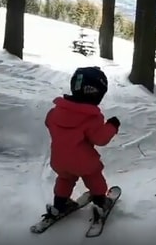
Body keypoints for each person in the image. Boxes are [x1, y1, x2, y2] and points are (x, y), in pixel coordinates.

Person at [43, 66, 120, 219]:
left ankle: (59, 205)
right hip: (83, 162)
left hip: (59, 160)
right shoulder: (91, 117)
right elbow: (100, 139)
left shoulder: (55, 112)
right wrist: (112, 126)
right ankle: (100, 203)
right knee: (94, 178)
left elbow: (48, 122)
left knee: (65, 179)